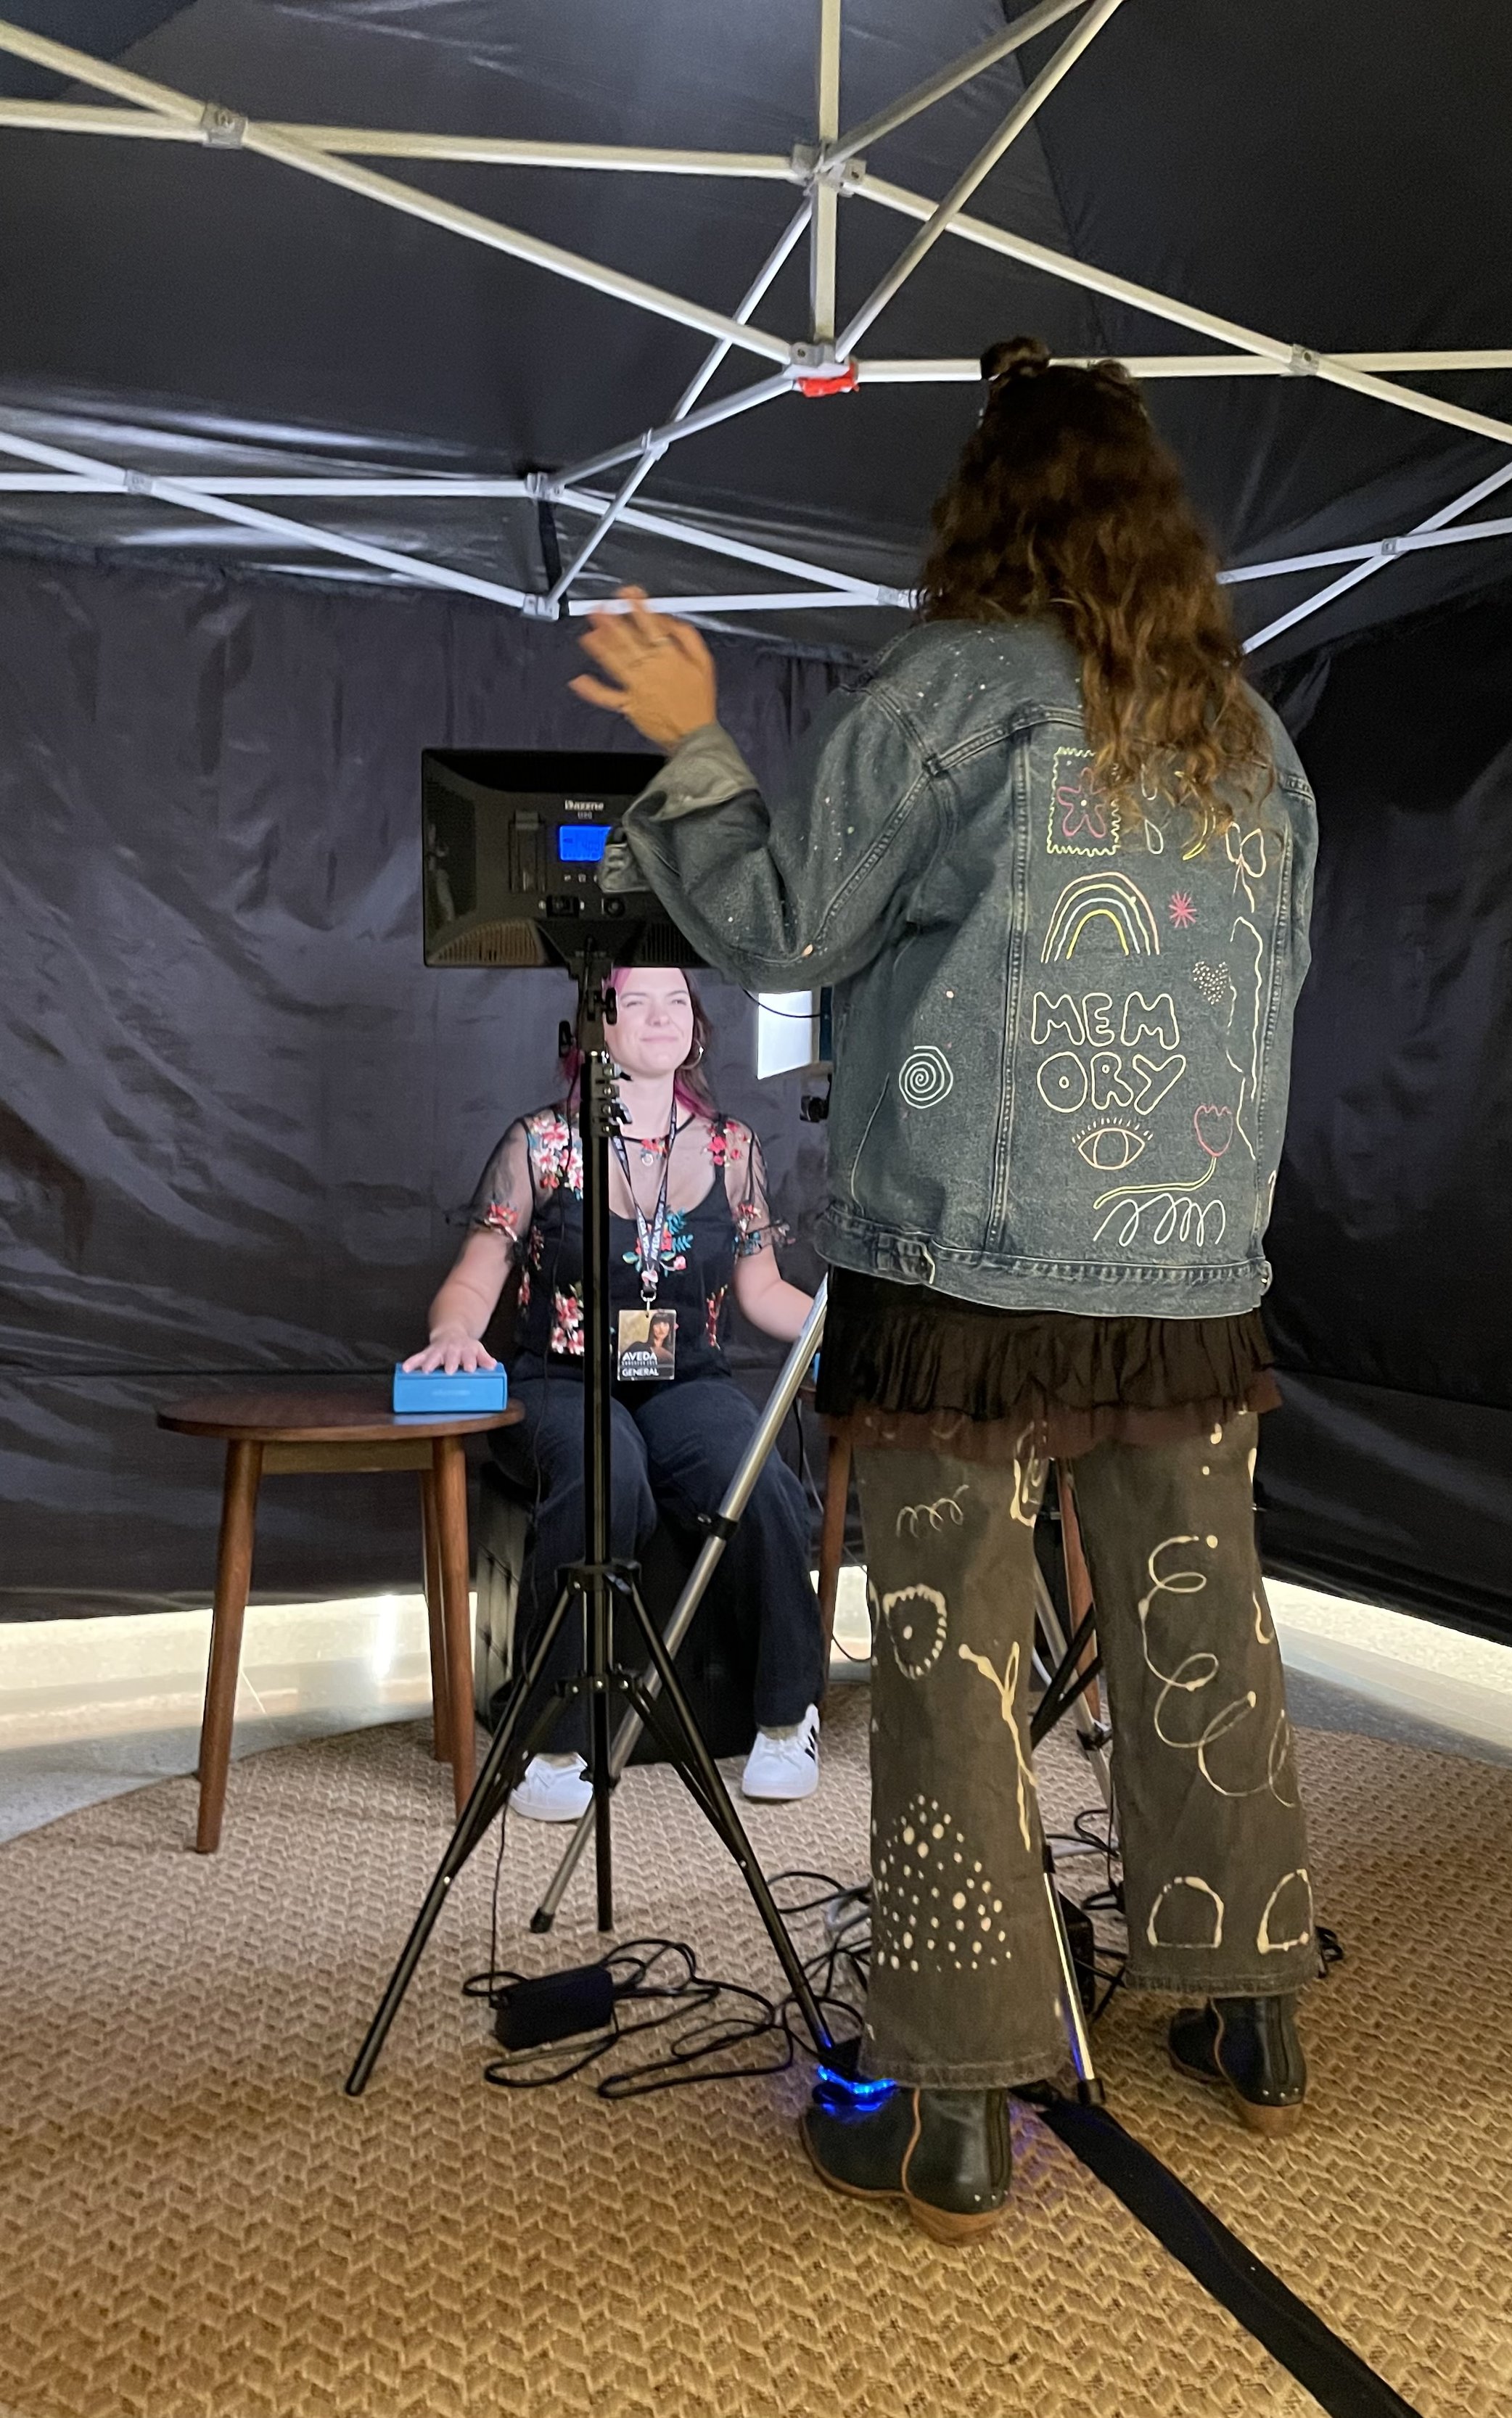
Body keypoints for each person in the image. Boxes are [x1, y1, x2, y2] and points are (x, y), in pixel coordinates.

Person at [570, 335, 1320, 2243]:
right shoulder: (1250, 734)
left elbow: (786, 927)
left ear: (981, 509)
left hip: (966, 1281)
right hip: (1186, 1271)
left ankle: (956, 2103)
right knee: (1194, 1628)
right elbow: (1280, 979)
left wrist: (693, 735)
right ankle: (1244, 2004)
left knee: (954, 1661)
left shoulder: (945, 692)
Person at [406, 966, 825, 1817]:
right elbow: (477, 1274)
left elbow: (761, 1292)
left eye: (676, 1002)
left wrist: (833, 1328)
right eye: (635, 1001)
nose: (660, 1017)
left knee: (762, 1483)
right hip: (561, 1378)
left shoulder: (729, 1147)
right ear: (598, 1029)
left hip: (687, 1378)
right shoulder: (542, 1144)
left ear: (698, 1029)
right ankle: (551, 1738)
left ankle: (787, 1718)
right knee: (609, 1474)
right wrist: (453, 1332)